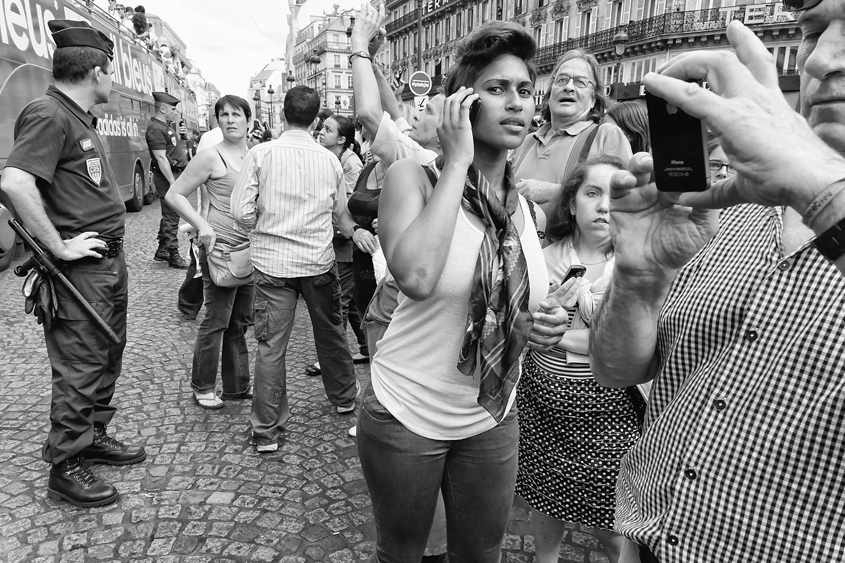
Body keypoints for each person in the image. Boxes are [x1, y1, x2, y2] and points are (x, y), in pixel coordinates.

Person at [588, 9, 845, 562]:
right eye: (811, 31)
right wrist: (637, 279)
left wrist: (823, 192)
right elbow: (616, 371)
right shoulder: (726, 206)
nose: (821, 59)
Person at [357, 18, 569, 560]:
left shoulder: (521, 207)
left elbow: (498, 307)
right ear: (462, 104)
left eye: (525, 91)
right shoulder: (414, 177)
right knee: (404, 552)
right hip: (407, 411)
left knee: (482, 553)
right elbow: (419, 278)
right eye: (497, 89)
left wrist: (536, 324)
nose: (517, 103)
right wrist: (457, 161)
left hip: (490, 412)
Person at [0, 20, 146, 508]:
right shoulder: (50, 114)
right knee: (82, 363)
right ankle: (65, 466)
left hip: (104, 261)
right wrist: (60, 249)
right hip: (79, 268)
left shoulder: (76, 116)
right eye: (110, 71)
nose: (111, 80)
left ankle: (91, 436)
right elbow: (16, 182)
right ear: (99, 71)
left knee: (106, 353)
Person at [230, 85, 377, 453]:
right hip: (317, 262)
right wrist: (353, 231)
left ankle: (266, 432)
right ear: (315, 120)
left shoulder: (260, 154)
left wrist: (264, 225)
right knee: (330, 334)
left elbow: (241, 212)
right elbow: (339, 213)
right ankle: (344, 398)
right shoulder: (329, 160)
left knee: (270, 347)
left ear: (282, 114)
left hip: (272, 264)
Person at [515, 156, 643, 563]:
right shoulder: (540, 258)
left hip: (608, 409)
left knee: (612, 520)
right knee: (544, 502)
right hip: (542, 403)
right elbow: (513, 324)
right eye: (592, 193)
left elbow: (629, 342)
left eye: (616, 195)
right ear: (571, 203)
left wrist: (559, 335)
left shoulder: (637, 268)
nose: (605, 206)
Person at [165, 95, 254, 410]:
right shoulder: (210, 157)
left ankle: (237, 385)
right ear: (217, 120)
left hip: (249, 249)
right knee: (216, 319)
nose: (230, 119)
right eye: (224, 115)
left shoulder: (255, 156)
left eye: (236, 114)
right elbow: (174, 194)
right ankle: (203, 386)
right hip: (219, 248)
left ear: (248, 120)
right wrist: (201, 225)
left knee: (240, 321)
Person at [510, 49, 632, 213]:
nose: (568, 87)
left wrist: (554, 192)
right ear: (550, 92)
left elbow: (624, 197)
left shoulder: (606, 135)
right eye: (561, 80)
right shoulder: (526, 141)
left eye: (580, 82)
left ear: (593, 99)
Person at [307, 115, 369, 376]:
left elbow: (348, 207)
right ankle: (366, 346)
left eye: (328, 130)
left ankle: (331, 359)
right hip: (337, 240)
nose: (321, 132)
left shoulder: (351, 164)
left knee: (340, 302)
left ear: (342, 139)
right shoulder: (331, 159)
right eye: (321, 128)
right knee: (351, 302)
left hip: (346, 241)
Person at [177, 120, 225, 321]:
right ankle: (189, 305)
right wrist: (202, 220)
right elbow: (204, 186)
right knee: (200, 262)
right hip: (210, 216)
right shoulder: (211, 138)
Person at [146, 90, 189, 269]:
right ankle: (173, 255)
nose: (175, 112)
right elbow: (161, 158)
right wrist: (173, 182)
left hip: (173, 173)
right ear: (162, 109)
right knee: (172, 215)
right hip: (167, 176)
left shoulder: (164, 127)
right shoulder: (156, 128)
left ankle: (163, 250)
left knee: (171, 214)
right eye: (173, 108)